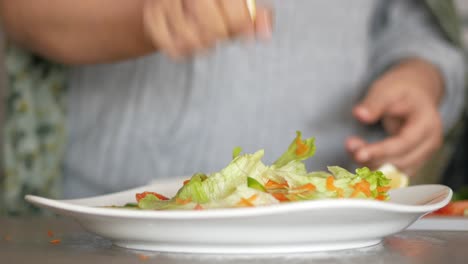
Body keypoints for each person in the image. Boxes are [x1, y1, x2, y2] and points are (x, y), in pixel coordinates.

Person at [0, 0, 465, 202]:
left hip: (324, 220)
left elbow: (415, 21)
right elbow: (22, 13)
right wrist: (145, 19)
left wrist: (421, 76)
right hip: (96, 216)